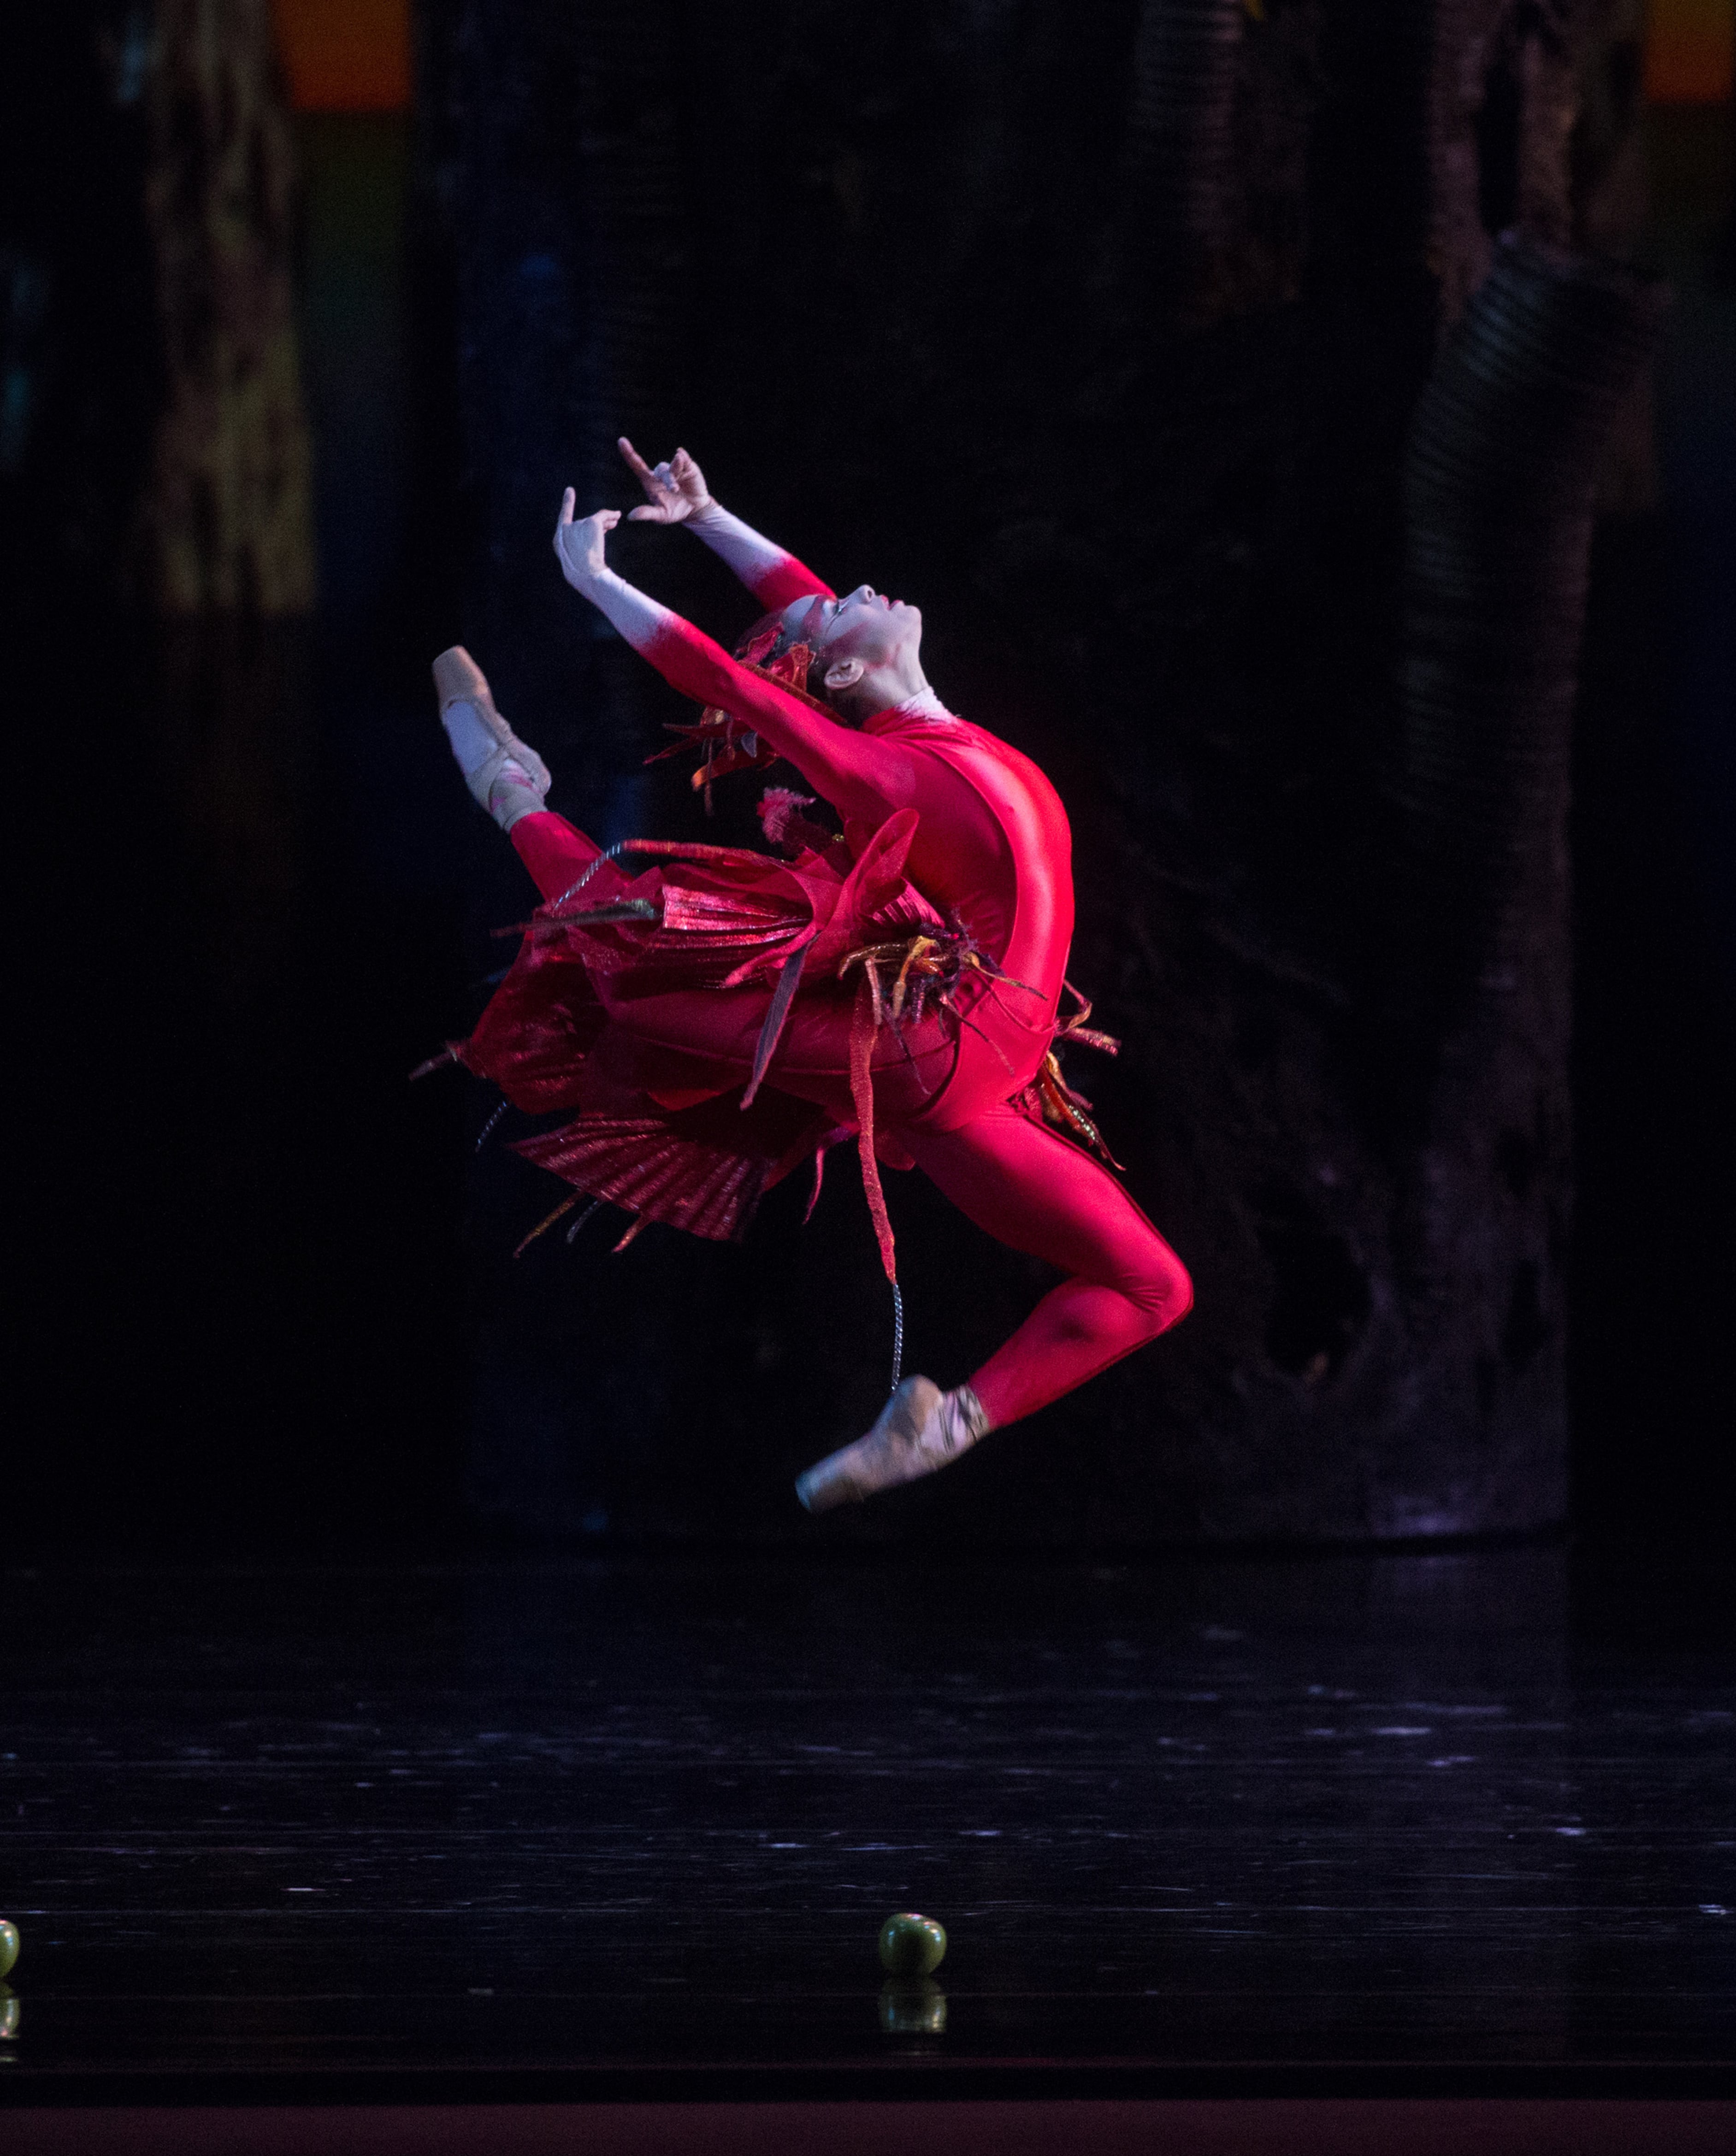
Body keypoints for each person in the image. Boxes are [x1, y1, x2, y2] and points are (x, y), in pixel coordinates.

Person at [433, 439, 1192, 1511]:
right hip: (940, 1056)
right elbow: (726, 680)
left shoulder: (938, 731)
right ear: (842, 675)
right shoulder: (887, 771)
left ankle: (941, 1428)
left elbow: (801, 606)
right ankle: (512, 789)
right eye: (840, 612)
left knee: (1155, 1288)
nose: (850, 591)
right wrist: (593, 578)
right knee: (637, 949)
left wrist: (706, 519)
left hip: (983, 1089)